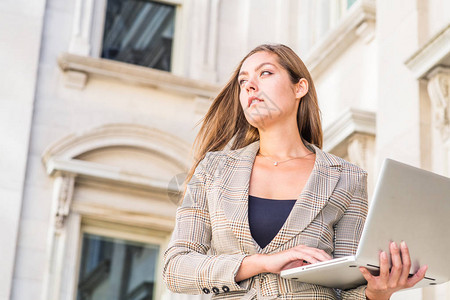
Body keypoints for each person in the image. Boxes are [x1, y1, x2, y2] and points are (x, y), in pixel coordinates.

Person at [163, 44, 428, 299]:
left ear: (299, 87)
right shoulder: (213, 170)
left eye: (265, 73)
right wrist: (263, 263)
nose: (250, 86)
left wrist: (378, 293)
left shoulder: (347, 177)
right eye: (243, 82)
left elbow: (350, 291)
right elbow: (175, 268)